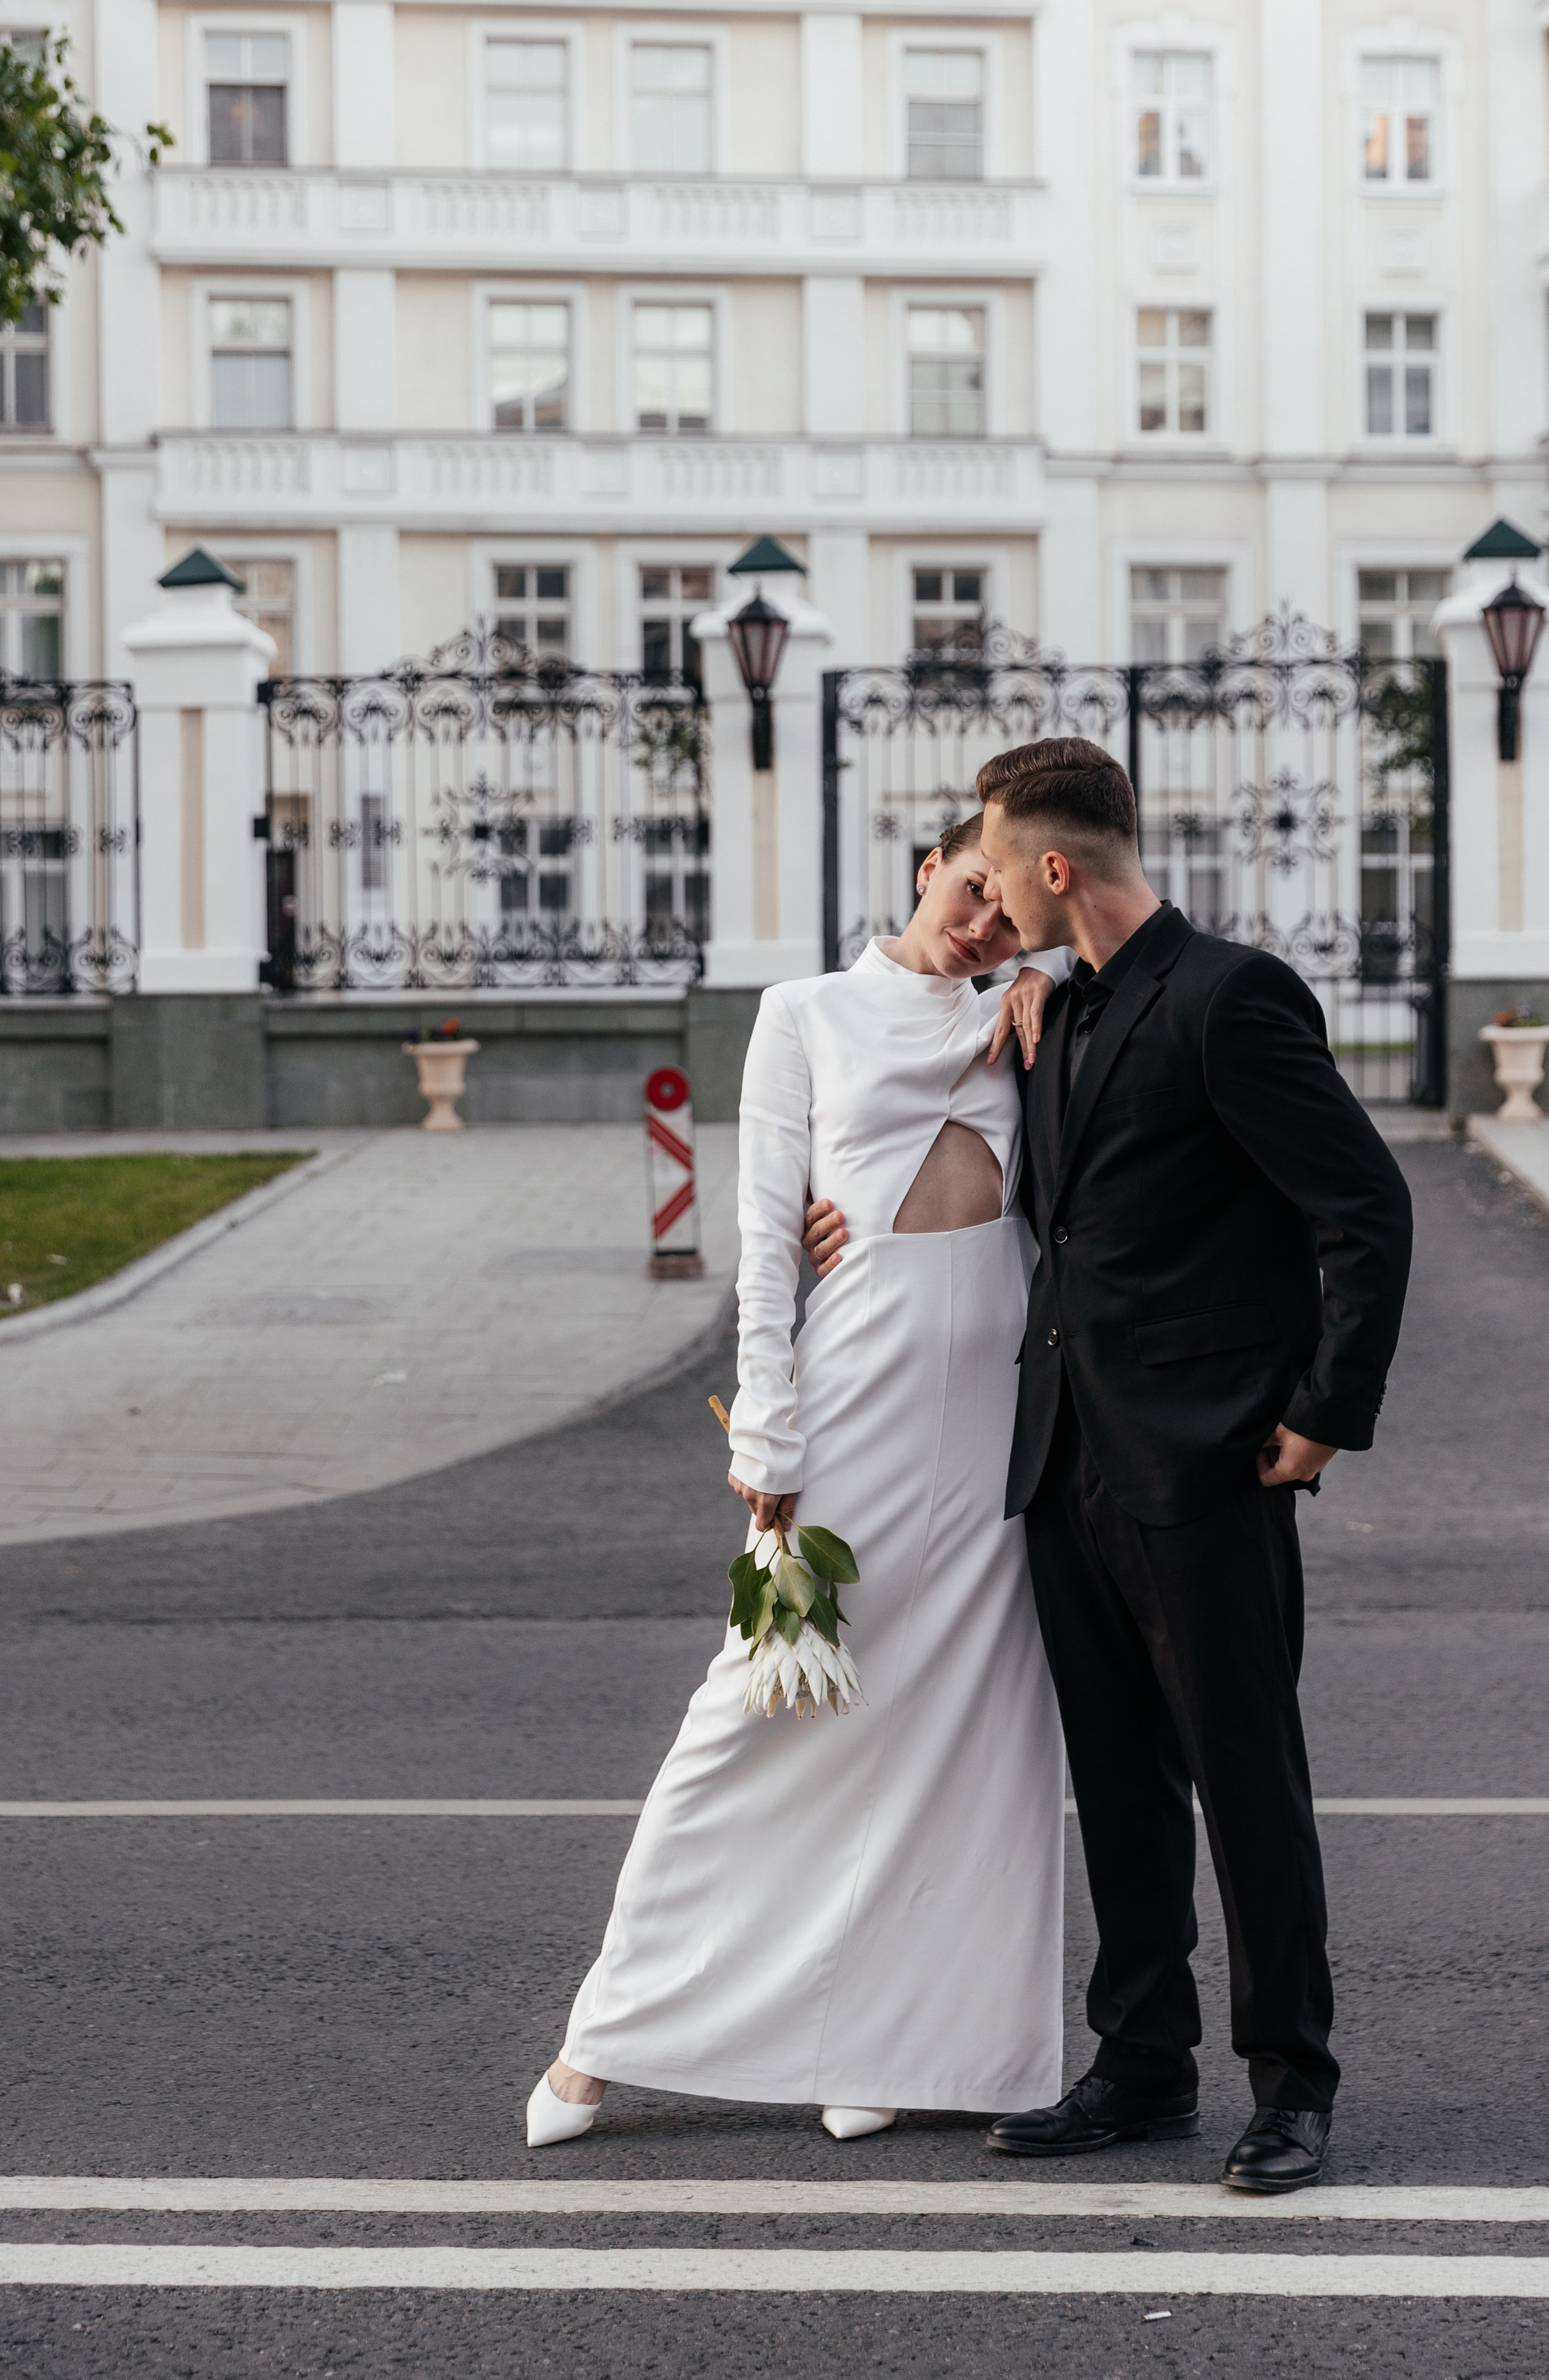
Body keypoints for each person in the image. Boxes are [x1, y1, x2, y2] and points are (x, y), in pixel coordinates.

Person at [806, 737, 1413, 2195]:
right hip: (1063, 1458)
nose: (989, 893)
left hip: (1206, 1467)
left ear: (1053, 866)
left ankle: (1289, 2086)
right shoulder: (1050, 1010)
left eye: (999, 865)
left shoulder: (1229, 1000)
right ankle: (1142, 2061)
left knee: (1243, 1780)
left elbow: (1364, 1208)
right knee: (1118, 1788)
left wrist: (1326, 1412)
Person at [525, 815, 1072, 2147]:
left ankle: (890, 2036)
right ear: (922, 871)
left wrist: (1049, 979)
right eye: (964, 892)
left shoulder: (1027, 1009)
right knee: (757, 1708)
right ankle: (605, 2035)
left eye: (1006, 915)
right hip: (859, 1394)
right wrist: (765, 1432)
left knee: (960, 1727)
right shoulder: (805, 1013)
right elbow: (766, 1238)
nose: (979, 926)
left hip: (1003, 1403)